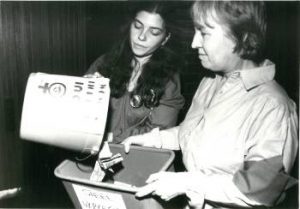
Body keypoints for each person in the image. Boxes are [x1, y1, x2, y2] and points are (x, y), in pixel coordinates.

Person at [122, 1, 298, 208]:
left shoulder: (273, 106)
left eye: (204, 33)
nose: (194, 43)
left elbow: (263, 189)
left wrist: (188, 183)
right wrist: (153, 140)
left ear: (241, 37)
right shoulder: (211, 82)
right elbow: (192, 133)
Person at [85, 2, 184, 143]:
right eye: (137, 26)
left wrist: (110, 137)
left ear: (165, 39)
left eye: (154, 32)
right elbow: (80, 119)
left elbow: (158, 133)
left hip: (141, 160)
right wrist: (85, 94)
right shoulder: (103, 63)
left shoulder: (169, 79)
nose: (141, 37)